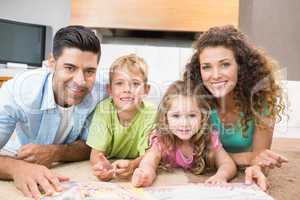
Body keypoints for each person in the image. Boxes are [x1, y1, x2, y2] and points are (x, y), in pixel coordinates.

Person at [0, 25, 106, 199]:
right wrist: (16, 169)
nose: (80, 81)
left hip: (64, 169)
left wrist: (55, 151)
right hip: (18, 155)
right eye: (70, 68)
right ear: (51, 62)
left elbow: (94, 145)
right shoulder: (18, 91)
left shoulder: (103, 91)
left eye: (89, 71)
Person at [184, 25, 288, 190]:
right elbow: (192, 156)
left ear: (241, 66)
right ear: (199, 70)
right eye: (207, 67)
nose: (215, 75)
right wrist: (246, 158)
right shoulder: (196, 100)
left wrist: (256, 166)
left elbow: (260, 156)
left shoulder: (260, 100)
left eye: (225, 64)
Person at [132, 80, 237, 187]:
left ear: (202, 117)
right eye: (176, 116)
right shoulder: (162, 139)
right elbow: (149, 162)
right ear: (165, 118)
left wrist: (221, 176)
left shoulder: (208, 138)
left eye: (192, 115)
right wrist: (145, 175)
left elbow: (227, 164)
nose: (184, 123)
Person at [87, 54, 156, 181]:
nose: (127, 89)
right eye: (119, 83)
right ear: (109, 90)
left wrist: (133, 165)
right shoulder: (104, 110)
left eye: (135, 84)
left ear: (146, 89)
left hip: (136, 160)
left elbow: (151, 154)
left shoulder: (151, 113)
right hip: (111, 159)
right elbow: (96, 154)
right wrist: (102, 167)